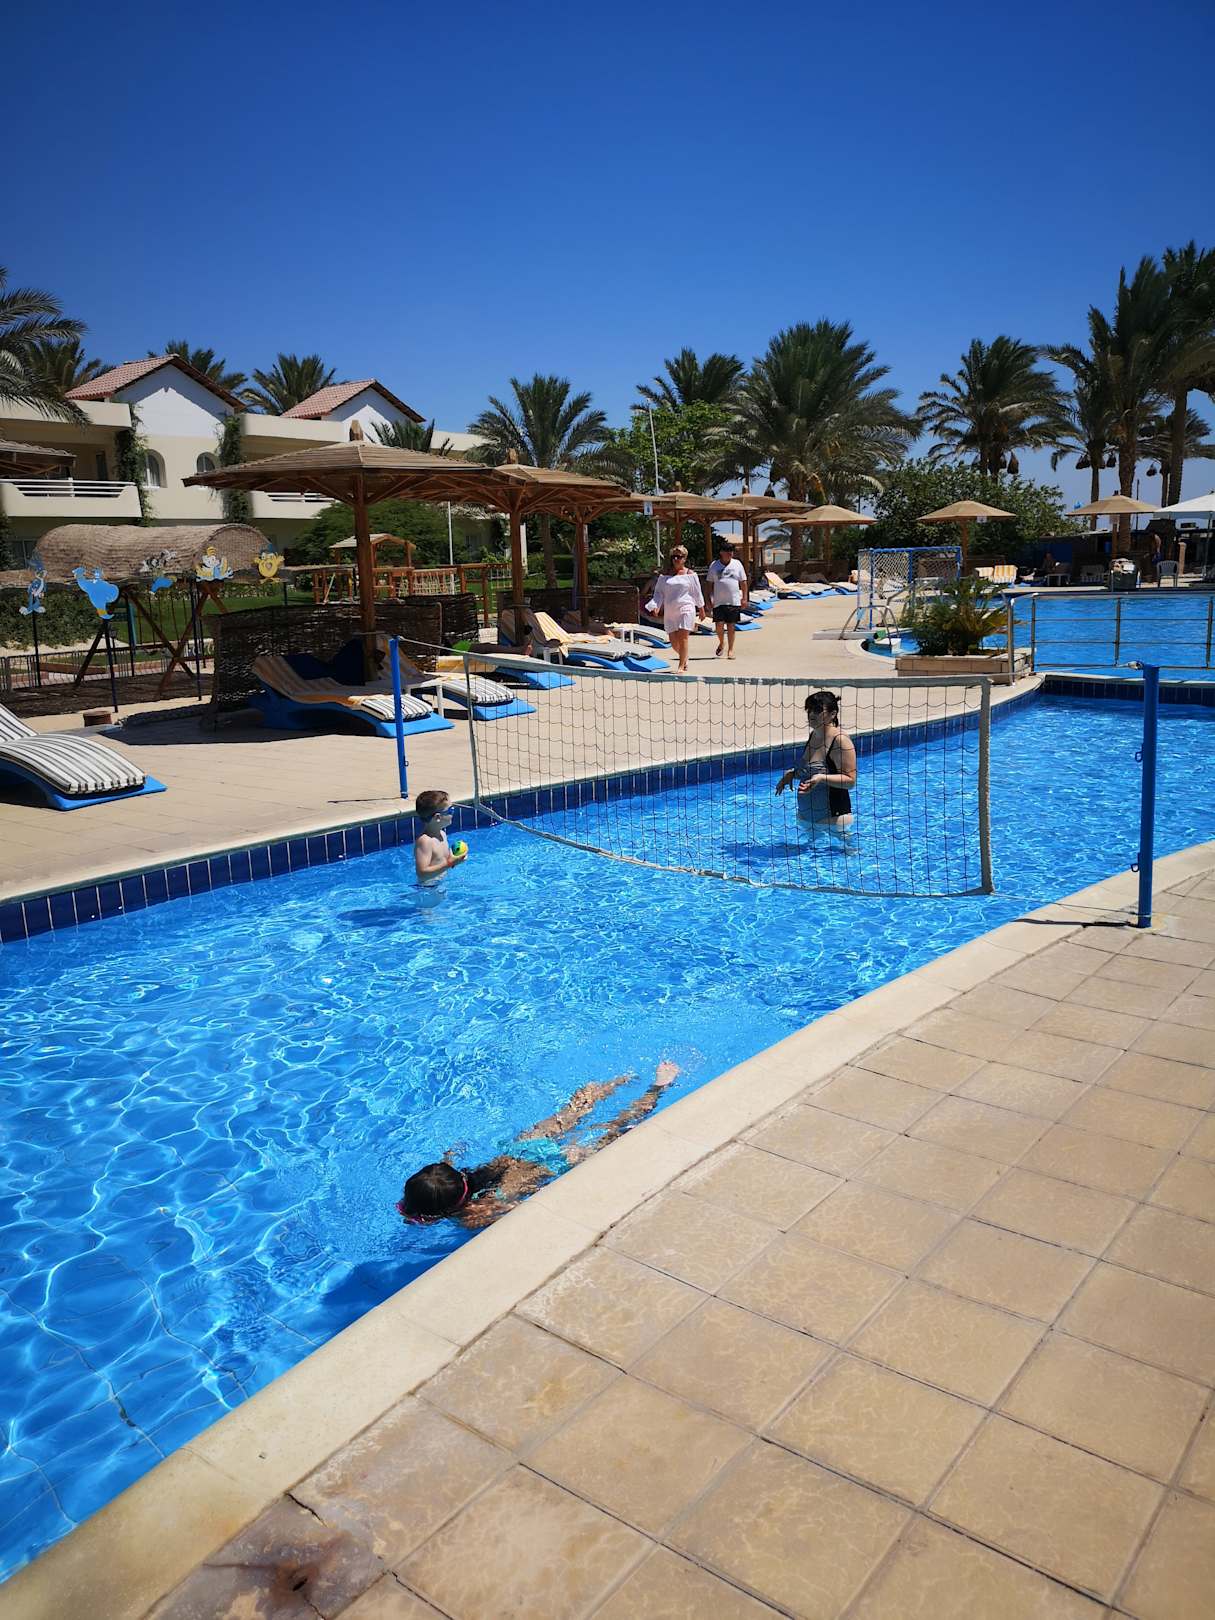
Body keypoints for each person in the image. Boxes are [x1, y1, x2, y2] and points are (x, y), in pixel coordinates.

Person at [398, 1061, 681, 1228]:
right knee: (573, 1110)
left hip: (554, 1162)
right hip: (521, 1147)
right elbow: (445, 1162)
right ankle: (623, 1077)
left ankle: (659, 1086)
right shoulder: (448, 1172)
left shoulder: (472, 1217)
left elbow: (523, 1211)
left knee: (617, 1127)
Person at [775, 690, 857, 836]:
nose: (812, 714)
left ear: (833, 714)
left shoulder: (840, 740)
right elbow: (813, 769)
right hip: (807, 819)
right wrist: (793, 774)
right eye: (810, 709)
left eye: (818, 710)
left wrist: (821, 778)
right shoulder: (814, 735)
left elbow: (850, 781)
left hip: (833, 823)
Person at [645, 545, 707, 673]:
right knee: (674, 643)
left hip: (686, 608)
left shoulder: (690, 575)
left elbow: (697, 592)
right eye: (674, 557)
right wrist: (656, 605)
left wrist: (701, 609)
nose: (676, 559)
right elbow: (659, 593)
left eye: (679, 557)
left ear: (684, 558)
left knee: (683, 637)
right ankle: (684, 658)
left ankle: (681, 665)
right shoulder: (665, 575)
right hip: (670, 611)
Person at [413, 788, 469, 885]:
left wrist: (455, 859)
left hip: (441, 884)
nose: (453, 813)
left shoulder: (442, 834)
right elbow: (422, 874)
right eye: (450, 810)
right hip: (428, 889)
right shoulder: (425, 841)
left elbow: (442, 862)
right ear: (438, 817)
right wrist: (450, 863)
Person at [707, 537, 749, 661]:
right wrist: (708, 600)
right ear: (721, 552)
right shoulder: (714, 565)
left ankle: (731, 650)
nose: (729, 553)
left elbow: (743, 582)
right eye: (727, 551)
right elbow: (709, 584)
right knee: (719, 626)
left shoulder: (737, 564)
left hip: (733, 600)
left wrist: (744, 598)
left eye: (731, 551)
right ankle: (721, 642)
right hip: (718, 601)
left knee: (731, 626)